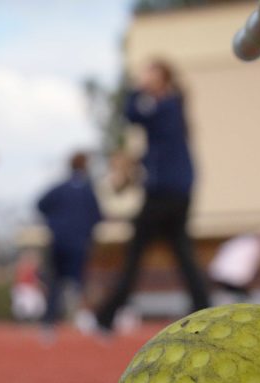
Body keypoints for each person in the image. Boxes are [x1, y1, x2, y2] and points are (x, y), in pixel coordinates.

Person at [95, 59, 210, 332]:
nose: (145, 77)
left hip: (164, 194)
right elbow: (148, 134)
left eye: (150, 74)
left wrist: (136, 89)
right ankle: (204, 308)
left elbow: (133, 114)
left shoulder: (166, 105)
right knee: (182, 254)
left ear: (163, 78)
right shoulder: (170, 108)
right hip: (176, 192)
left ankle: (105, 316)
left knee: (135, 255)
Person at [37, 152, 102, 334]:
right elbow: (98, 216)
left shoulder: (59, 188)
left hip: (58, 241)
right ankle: (86, 319)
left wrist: (54, 221)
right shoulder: (88, 190)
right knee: (80, 282)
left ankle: (49, 323)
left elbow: (40, 204)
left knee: (55, 283)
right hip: (79, 243)